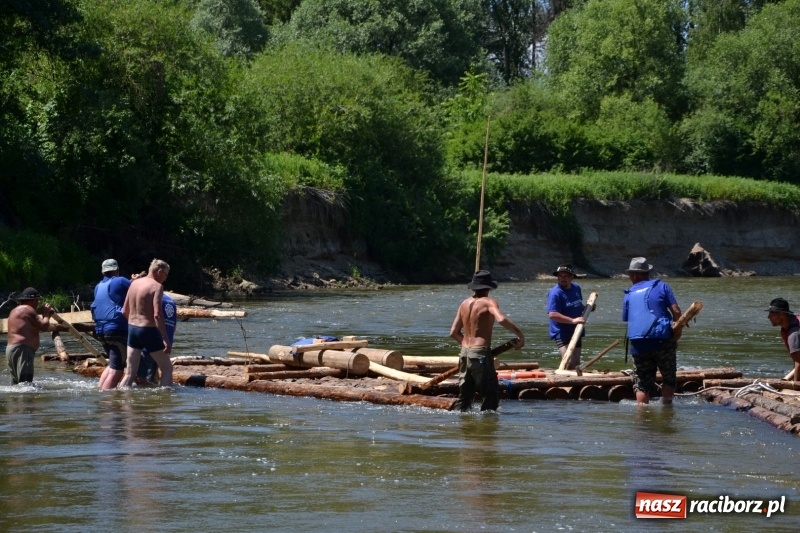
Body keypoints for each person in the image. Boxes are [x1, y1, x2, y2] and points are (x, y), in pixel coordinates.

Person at [449, 270, 524, 412]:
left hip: (465, 354)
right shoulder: (489, 302)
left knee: (464, 398)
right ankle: (488, 430)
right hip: (480, 353)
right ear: (489, 287)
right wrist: (520, 334)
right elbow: (501, 319)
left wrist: (470, 349)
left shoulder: (464, 303)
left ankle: (464, 428)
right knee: (490, 395)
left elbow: (453, 332)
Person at [621, 257, 682, 405]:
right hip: (662, 340)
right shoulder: (662, 286)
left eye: (630, 275)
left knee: (642, 382)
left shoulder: (629, 294)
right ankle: (667, 410)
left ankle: (642, 417)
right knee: (668, 377)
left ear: (634, 275)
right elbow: (677, 312)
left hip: (639, 343)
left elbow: (626, 318)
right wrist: (677, 333)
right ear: (647, 272)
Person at [118, 259, 173, 387]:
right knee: (167, 369)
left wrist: (135, 323)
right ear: (160, 272)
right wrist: (165, 339)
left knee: (130, 373)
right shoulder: (157, 287)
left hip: (132, 329)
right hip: (148, 330)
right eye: (165, 275)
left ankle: (120, 400)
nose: (165, 279)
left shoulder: (134, 283)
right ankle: (165, 403)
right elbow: (157, 315)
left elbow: (124, 310)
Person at [4, 287, 63, 384]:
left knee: (16, 384)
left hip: (11, 349)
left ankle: (16, 400)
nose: (38, 303)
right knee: (25, 384)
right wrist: (45, 314)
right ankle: (26, 400)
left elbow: (28, 328)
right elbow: (44, 326)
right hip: (23, 349)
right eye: (37, 301)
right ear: (32, 300)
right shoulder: (28, 309)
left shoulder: (14, 311)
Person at [93, 259, 133, 389]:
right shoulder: (120, 280)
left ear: (102, 272)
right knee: (117, 370)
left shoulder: (98, 286)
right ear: (117, 270)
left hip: (100, 331)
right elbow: (137, 288)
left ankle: (100, 389)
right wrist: (136, 279)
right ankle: (106, 399)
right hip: (116, 330)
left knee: (113, 365)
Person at [547, 264, 587, 370]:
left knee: (576, 363)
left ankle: (574, 384)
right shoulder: (555, 293)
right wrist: (573, 320)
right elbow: (552, 314)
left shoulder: (576, 288)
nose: (562, 279)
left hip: (576, 329)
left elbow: (577, 303)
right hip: (561, 331)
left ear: (571, 277)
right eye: (560, 276)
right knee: (568, 363)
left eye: (565, 276)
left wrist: (587, 308)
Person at [137, 292, 177, 385]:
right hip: (166, 342)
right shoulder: (171, 301)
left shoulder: (151, 298)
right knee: (155, 375)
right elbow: (174, 327)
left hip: (150, 342)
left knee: (141, 379)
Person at [765, 297, 800, 381]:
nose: (768, 317)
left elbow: (799, 363)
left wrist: (794, 386)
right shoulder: (793, 322)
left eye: (772, 313)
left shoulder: (794, 334)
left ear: (782, 314)